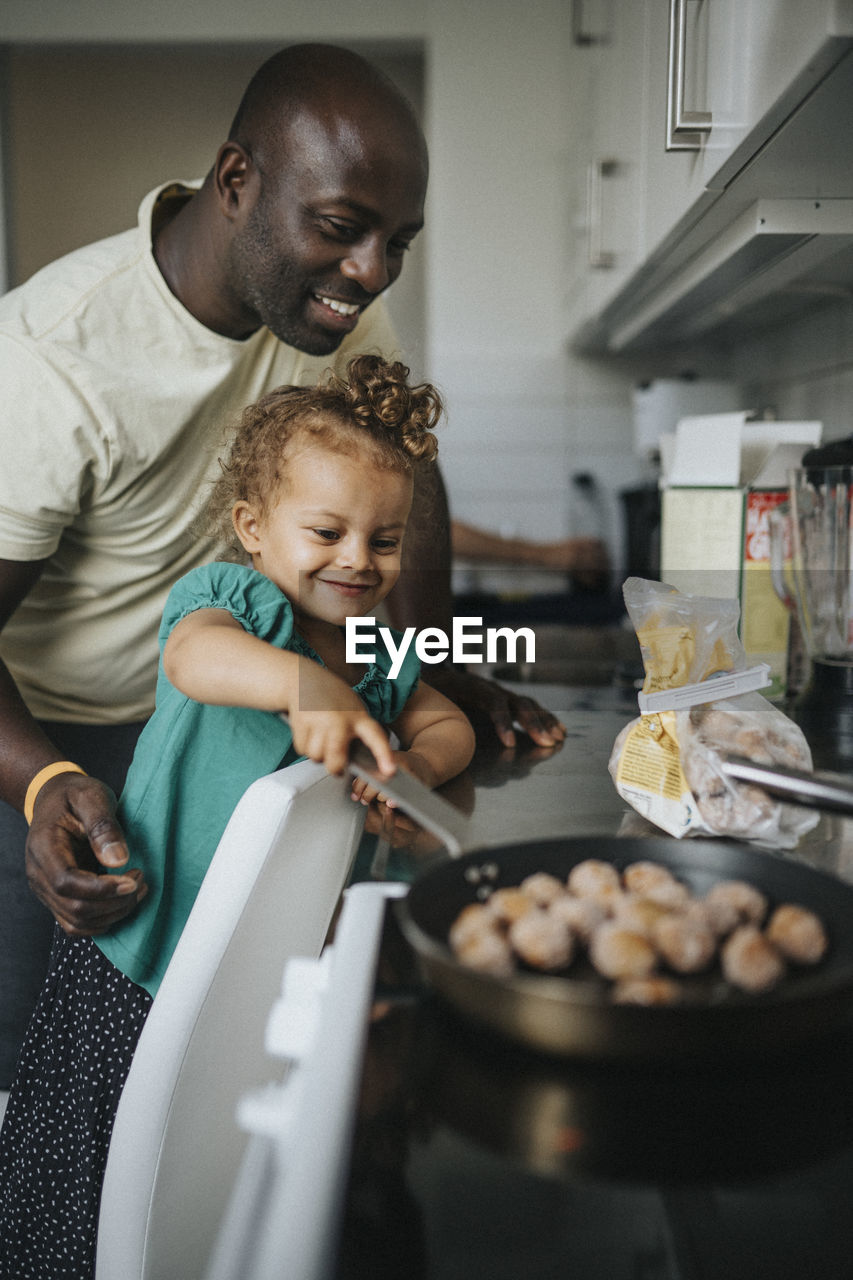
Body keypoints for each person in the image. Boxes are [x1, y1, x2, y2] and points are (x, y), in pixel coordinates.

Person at [0, 42, 563, 1088]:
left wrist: (430, 664)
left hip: (238, 725)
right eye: (345, 230)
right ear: (235, 182)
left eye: (398, 243)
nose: (371, 273)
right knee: (60, 1062)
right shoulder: (46, 359)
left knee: (219, 1054)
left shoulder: (326, 305)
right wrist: (42, 783)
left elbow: (410, 476)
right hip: (52, 740)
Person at [0, 354, 476, 1278]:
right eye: (327, 531)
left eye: (383, 541)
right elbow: (193, 660)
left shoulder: (379, 654)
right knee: (76, 1173)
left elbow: (446, 720)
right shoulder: (234, 606)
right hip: (133, 957)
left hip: (255, 979)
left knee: (190, 1179)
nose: (356, 560)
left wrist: (417, 760)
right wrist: (304, 686)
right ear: (254, 529)